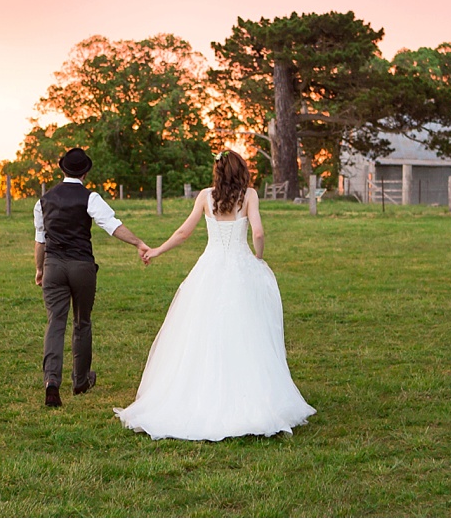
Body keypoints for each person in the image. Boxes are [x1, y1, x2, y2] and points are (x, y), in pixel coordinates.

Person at [114, 150, 315, 440]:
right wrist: (258, 258)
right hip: (241, 268)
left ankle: (199, 391)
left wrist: (156, 250)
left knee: (201, 330)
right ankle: (249, 393)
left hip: (209, 269)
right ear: (241, 171)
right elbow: (258, 234)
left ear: (217, 172)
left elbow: (183, 233)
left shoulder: (205, 197)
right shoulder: (249, 196)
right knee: (248, 330)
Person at [35, 147, 149, 408]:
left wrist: (40, 269)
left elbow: (40, 239)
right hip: (82, 267)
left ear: (62, 169)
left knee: (55, 323)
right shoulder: (90, 197)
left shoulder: (44, 200)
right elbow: (112, 225)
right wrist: (138, 242)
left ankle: (51, 381)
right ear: (85, 172)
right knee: (82, 322)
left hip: (53, 265)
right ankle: (80, 380)